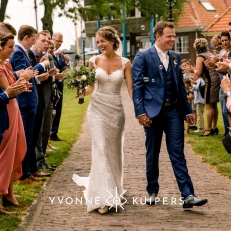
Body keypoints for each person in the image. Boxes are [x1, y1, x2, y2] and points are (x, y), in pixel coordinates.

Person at [132, 21, 207, 208]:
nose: (173, 39)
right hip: (152, 113)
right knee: (153, 152)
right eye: (169, 36)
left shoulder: (175, 56)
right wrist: (140, 112)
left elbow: (179, 85)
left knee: (177, 153)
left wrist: (187, 111)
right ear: (158, 36)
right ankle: (152, 190)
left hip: (173, 110)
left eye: (174, 36)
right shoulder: (142, 56)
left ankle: (188, 195)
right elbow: (137, 87)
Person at [72, 26, 133, 214]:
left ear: (113, 41)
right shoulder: (93, 61)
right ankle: (104, 199)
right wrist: (82, 91)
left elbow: (131, 90)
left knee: (113, 151)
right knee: (100, 148)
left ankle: (115, 187)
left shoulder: (125, 63)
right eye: (97, 42)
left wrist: (142, 110)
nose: (99, 45)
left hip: (116, 112)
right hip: (96, 110)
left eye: (102, 42)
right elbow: (91, 87)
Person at [0, 23, 35, 215]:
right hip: (7, 111)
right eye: (10, 47)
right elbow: (9, 91)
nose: (13, 51)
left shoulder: (6, 64)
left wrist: (23, 82)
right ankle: (2, 194)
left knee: (15, 152)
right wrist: (26, 78)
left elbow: (15, 86)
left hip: (13, 110)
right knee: (5, 154)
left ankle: (9, 193)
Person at [10, 25, 49, 184]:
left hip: (30, 101)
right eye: (33, 39)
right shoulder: (19, 52)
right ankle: (24, 174)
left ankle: (28, 170)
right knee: (26, 138)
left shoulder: (22, 52)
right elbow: (23, 76)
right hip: (25, 102)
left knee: (30, 137)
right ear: (26, 38)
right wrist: (42, 65)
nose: (33, 42)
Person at [193, 38, 220, 136]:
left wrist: (193, 71)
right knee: (214, 105)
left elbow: (199, 73)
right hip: (216, 79)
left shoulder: (200, 57)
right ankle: (214, 127)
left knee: (208, 105)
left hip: (210, 81)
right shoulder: (210, 54)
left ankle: (208, 130)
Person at [50, 32, 70, 141]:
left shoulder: (61, 54)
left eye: (61, 42)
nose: (59, 44)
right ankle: (50, 133)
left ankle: (54, 133)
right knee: (52, 110)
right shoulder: (52, 52)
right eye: (58, 41)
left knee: (58, 109)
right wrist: (54, 53)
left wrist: (67, 62)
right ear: (52, 39)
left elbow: (63, 67)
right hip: (52, 85)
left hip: (60, 85)